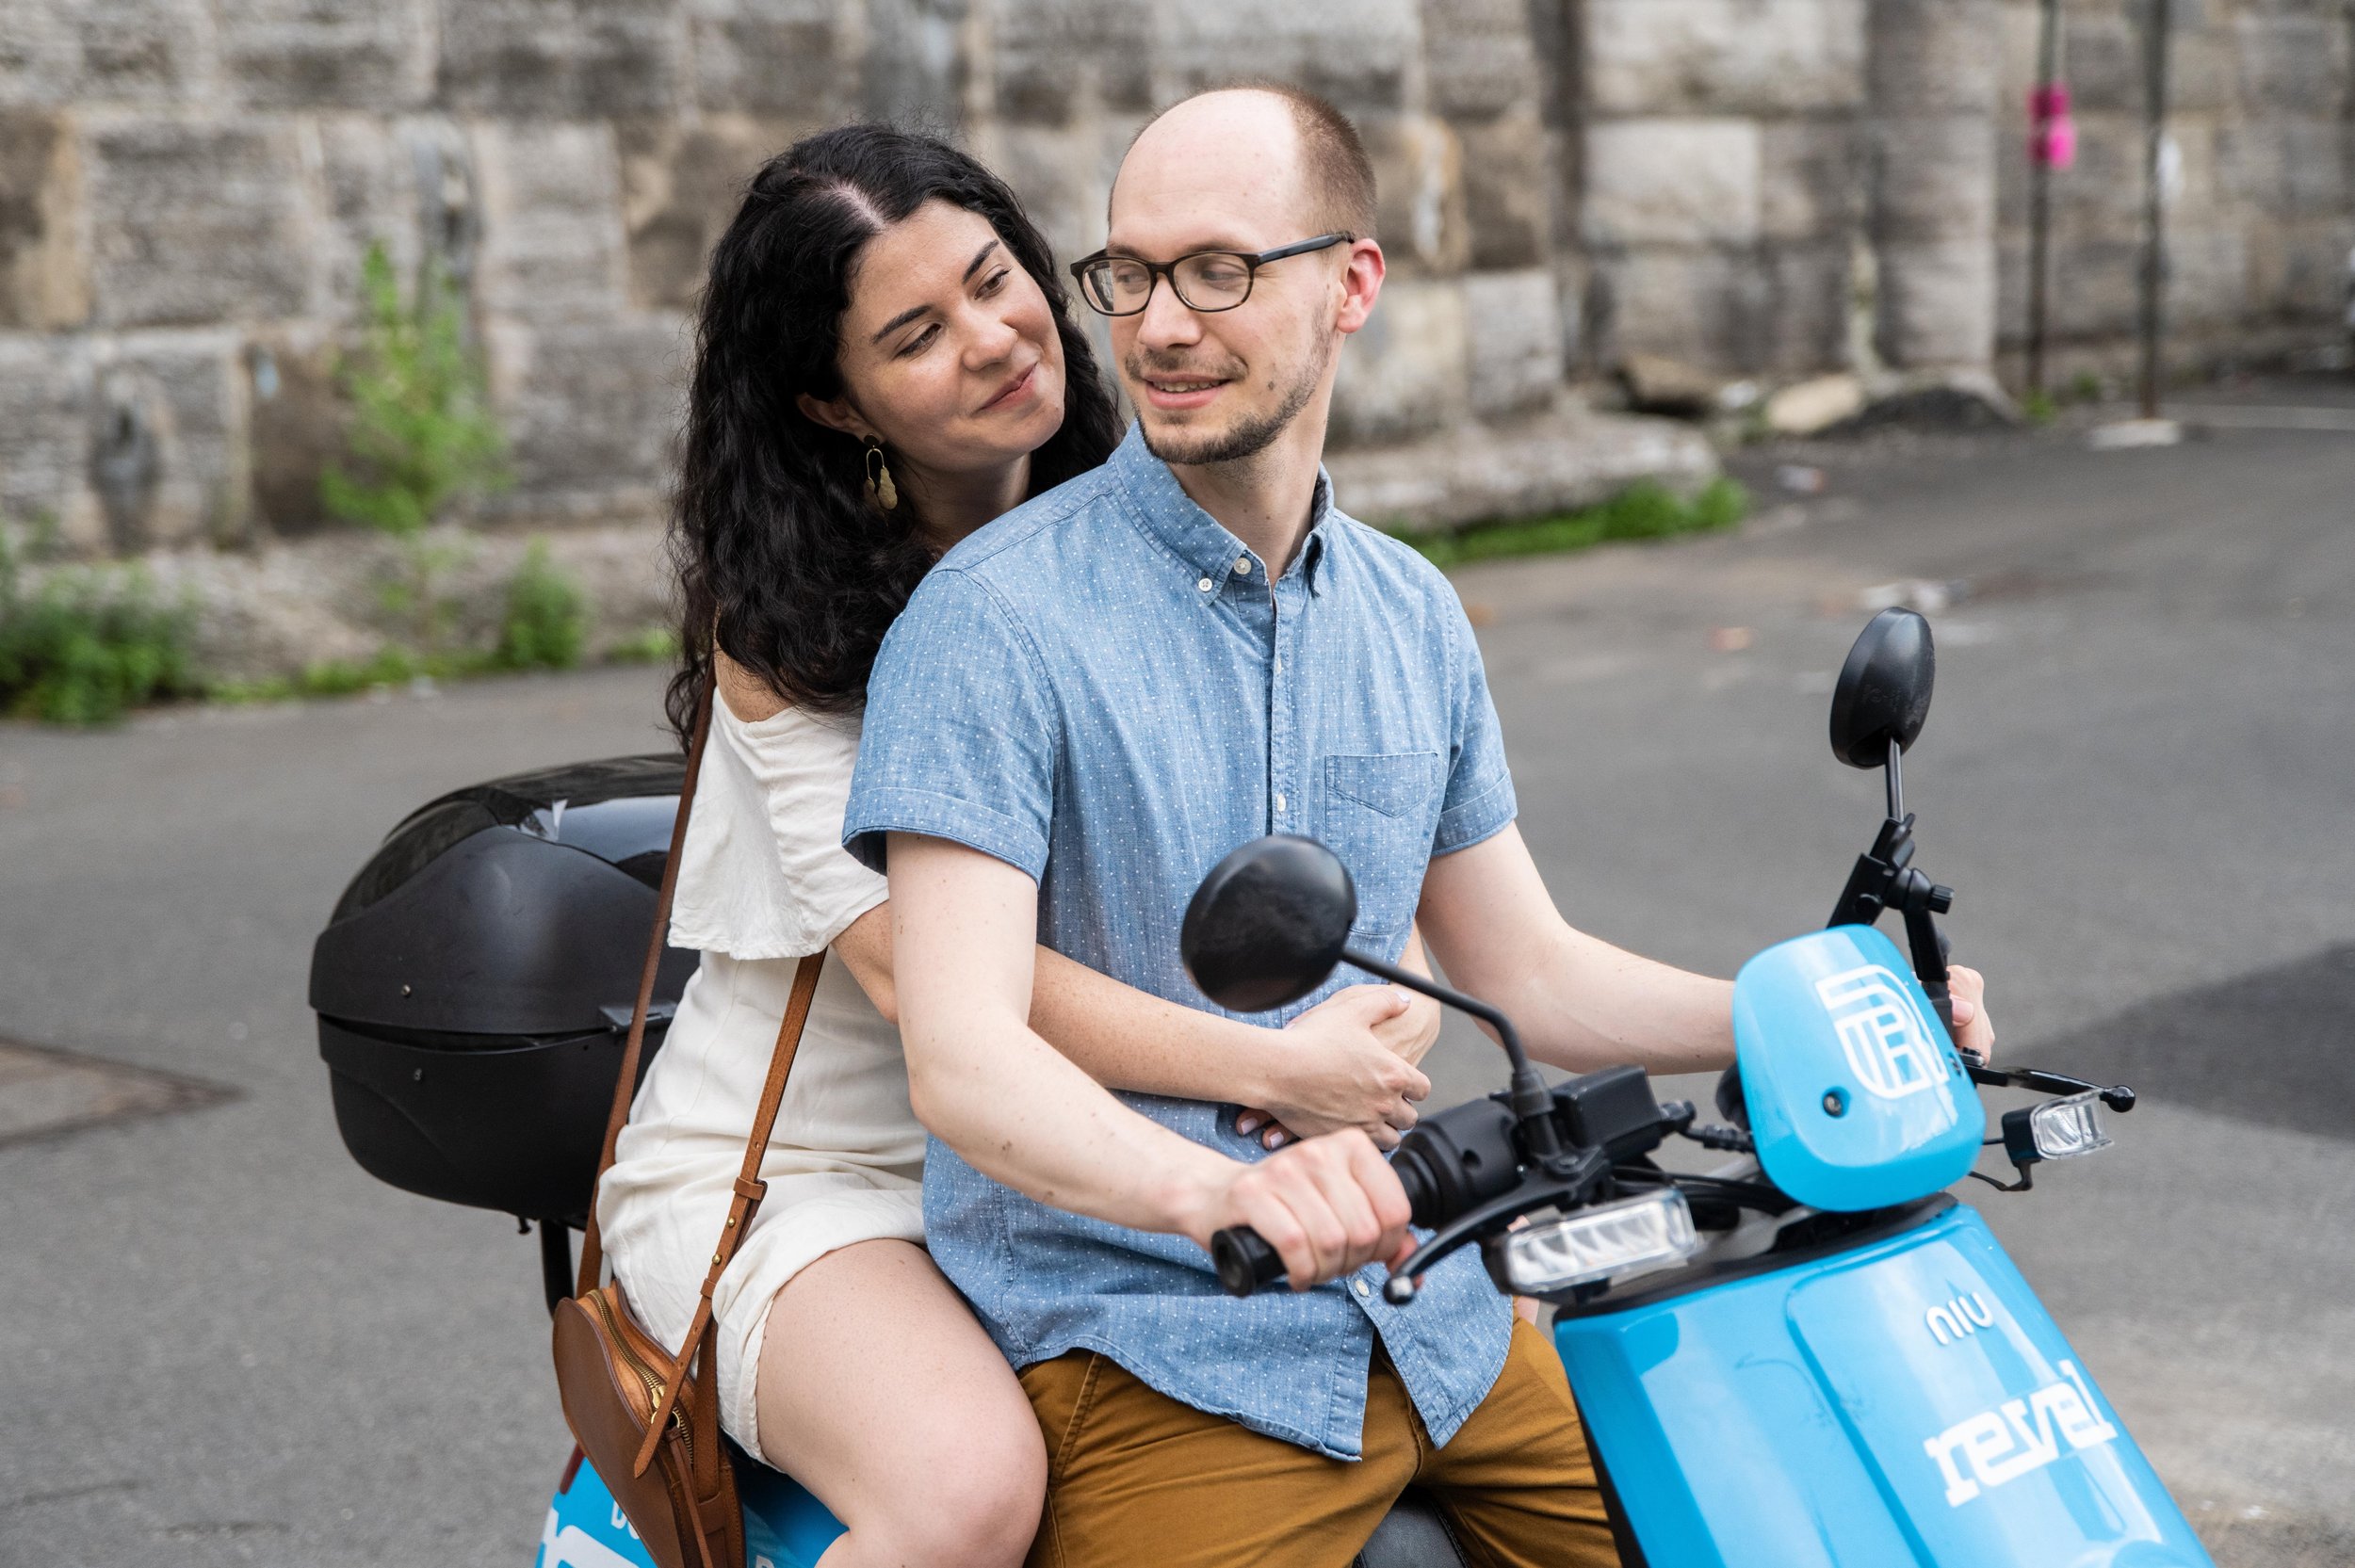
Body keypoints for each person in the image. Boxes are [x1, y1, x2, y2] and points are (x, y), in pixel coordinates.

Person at [844, 86, 1998, 1567]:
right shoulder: (989, 624)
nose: (1161, 325)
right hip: (1158, 1344)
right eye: (1130, 275)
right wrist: (1223, 1192)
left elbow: (1526, 969)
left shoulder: (1408, 611)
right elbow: (962, 1046)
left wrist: (1821, 1009)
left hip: (1436, 1309)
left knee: (1767, 1523)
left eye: (1221, 269)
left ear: (1354, 283)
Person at [594, 124, 1455, 1568]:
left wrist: (1389, 996)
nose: (997, 340)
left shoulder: (1145, 531)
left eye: (1000, 280)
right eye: (919, 334)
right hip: (830, 1173)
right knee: (968, 1489)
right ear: (834, 399)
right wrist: (1278, 1071)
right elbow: (933, 991)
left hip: (1072, 1157)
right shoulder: (787, 643)